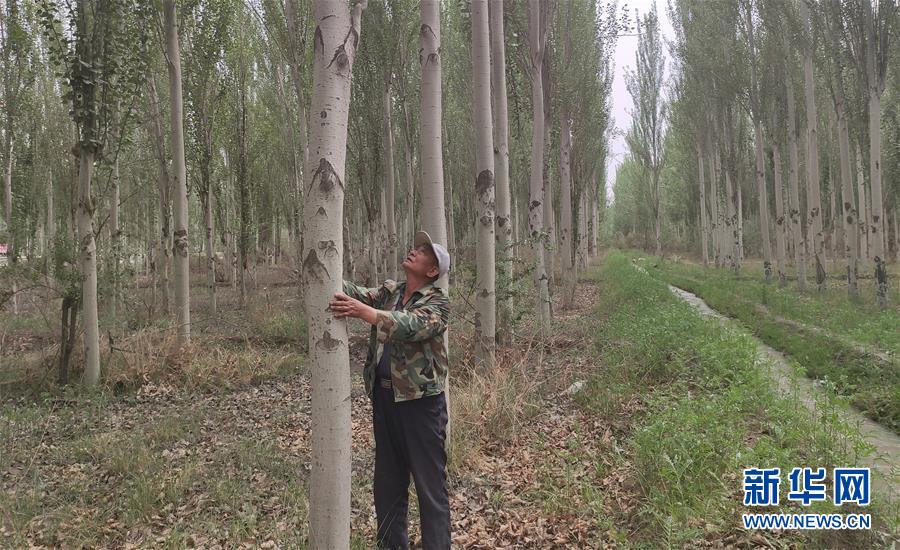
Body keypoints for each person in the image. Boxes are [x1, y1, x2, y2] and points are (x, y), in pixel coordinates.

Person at [330, 230, 451, 549]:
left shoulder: (438, 303)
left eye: (423, 251)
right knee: (387, 486)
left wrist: (366, 314)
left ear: (432, 270)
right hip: (385, 400)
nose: (414, 250)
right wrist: (324, 267)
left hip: (421, 405)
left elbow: (411, 325)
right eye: (416, 247)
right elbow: (355, 293)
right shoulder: (391, 291)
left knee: (430, 489)